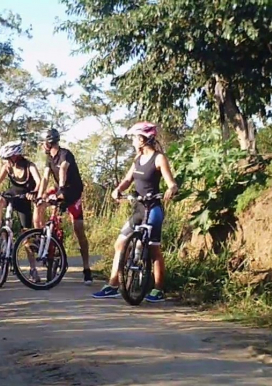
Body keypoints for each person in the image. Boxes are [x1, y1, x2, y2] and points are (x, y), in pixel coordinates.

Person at [92, 122, 178, 303]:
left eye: (134, 137)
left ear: (142, 139)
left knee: (154, 250)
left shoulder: (158, 158)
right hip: (138, 208)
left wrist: (171, 189)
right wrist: (118, 189)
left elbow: (171, 182)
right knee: (120, 244)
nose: (132, 141)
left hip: (153, 209)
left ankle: (158, 289)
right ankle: (113, 285)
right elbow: (127, 179)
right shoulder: (137, 159)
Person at [36, 128, 93, 285]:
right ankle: (40, 237)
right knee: (40, 204)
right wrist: (40, 196)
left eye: (42, 143)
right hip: (59, 190)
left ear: (49, 143)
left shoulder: (65, 154)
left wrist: (61, 189)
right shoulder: (49, 158)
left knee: (79, 231)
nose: (41, 146)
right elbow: (45, 177)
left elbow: (63, 170)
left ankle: (87, 268)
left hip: (72, 192)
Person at [0, 140, 42, 281]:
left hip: (25, 199)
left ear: (16, 156)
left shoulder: (30, 166)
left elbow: (39, 181)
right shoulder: (7, 167)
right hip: (11, 195)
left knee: (26, 237)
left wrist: (34, 192)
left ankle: (33, 269)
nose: (7, 161)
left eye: (8, 158)